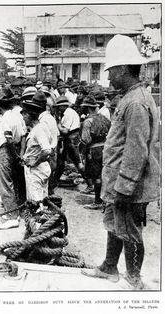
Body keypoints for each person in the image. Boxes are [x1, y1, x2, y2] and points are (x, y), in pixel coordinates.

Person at [81, 35, 160, 290]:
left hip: (128, 184)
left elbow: (136, 151)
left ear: (124, 69)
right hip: (118, 181)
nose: (109, 78)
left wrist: (124, 188)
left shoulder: (136, 102)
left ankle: (134, 279)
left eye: (111, 71)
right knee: (114, 224)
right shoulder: (130, 97)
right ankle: (109, 266)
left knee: (130, 230)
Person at [0, 87, 26, 230]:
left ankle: (13, 217)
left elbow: (8, 139)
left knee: (6, 183)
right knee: (15, 181)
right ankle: (14, 210)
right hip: (16, 148)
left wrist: (14, 155)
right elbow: (23, 136)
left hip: (6, 150)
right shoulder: (17, 115)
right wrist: (20, 154)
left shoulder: (6, 117)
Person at [79, 95, 111, 209]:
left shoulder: (88, 121)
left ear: (87, 108)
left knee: (96, 176)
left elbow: (86, 139)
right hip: (105, 147)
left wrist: (83, 150)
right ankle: (104, 199)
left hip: (93, 149)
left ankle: (98, 201)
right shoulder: (104, 119)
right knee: (104, 174)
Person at [21, 92, 52, 202]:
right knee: (42, 199)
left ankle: (38, 217)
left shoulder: (38, 130)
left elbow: (47, 150)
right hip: (40, 167)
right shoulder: (41, 127)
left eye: (24, 115)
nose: (23, 119)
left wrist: (35, 162)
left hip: (36, 169)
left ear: (29, 115)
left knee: (36, 201)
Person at [53, 96, 86, 188]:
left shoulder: (68, 114)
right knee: (62, 160)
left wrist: (58, 123)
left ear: (63, 106)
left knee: (77, 162)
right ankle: (55, 179)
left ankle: (89, 183)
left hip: (71, 138)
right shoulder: (68, 112)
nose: (58, 109)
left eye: (59, 107)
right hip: (71, 138)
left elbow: (65, 131)